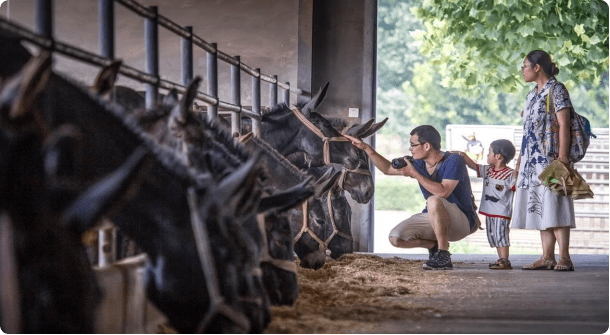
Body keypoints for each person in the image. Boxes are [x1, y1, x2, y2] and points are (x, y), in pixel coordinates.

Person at [344, 125, 477, 270]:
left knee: (433, 199)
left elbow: (443, 192)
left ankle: (443, 254)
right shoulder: (419, 163)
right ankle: (432, 246)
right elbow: (388, 169)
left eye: (413, 145)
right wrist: (366, 148)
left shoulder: (453, 160)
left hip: (462, 221)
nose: (410, 149)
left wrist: (414, 173)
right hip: (436, 217)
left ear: (427, 146)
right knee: (396, 238)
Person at [512, 50, 576, 271]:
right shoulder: (531, 95)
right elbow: (527, 132)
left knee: (556, 203)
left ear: (536, 67)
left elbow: (564, 124)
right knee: (541, 206)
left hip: (551, 157)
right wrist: (520, 161)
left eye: (524, 66)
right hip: (532, 161)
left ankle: (564, 257)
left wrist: (563, 157)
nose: (522, 70)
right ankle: (547, 257)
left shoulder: (556, 90)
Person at [455, 139, 516, 270]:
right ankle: (501, 260)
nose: (487, 155)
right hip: (489, 211)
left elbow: (518, 188)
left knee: (501, 235)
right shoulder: (488, 170)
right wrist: (463, 156)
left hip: (501, 212)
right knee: (493, 236)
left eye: (489, 152)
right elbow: (474, 166)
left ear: (498, 156)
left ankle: (505, 260)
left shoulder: (511, 175)